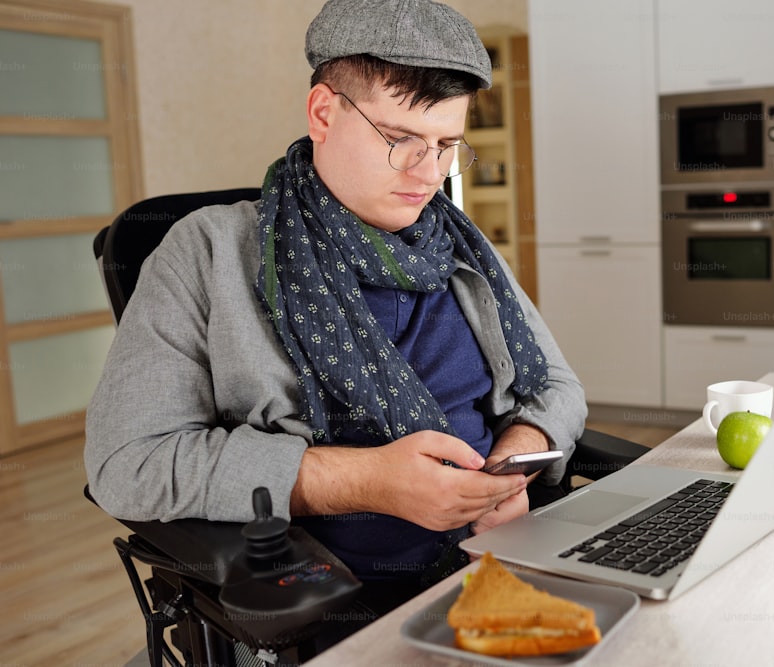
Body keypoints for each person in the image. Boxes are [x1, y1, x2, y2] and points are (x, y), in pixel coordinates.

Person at [85, 0, 586, 638]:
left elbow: (558, 390)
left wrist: (513, 464)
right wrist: (361, 481)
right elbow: (128, 465)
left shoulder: (463, 245)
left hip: (505, 559)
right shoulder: (206, 252)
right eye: (400, 140)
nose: (429, 175)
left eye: (446, 146)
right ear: (324, 112)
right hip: (351, 603)